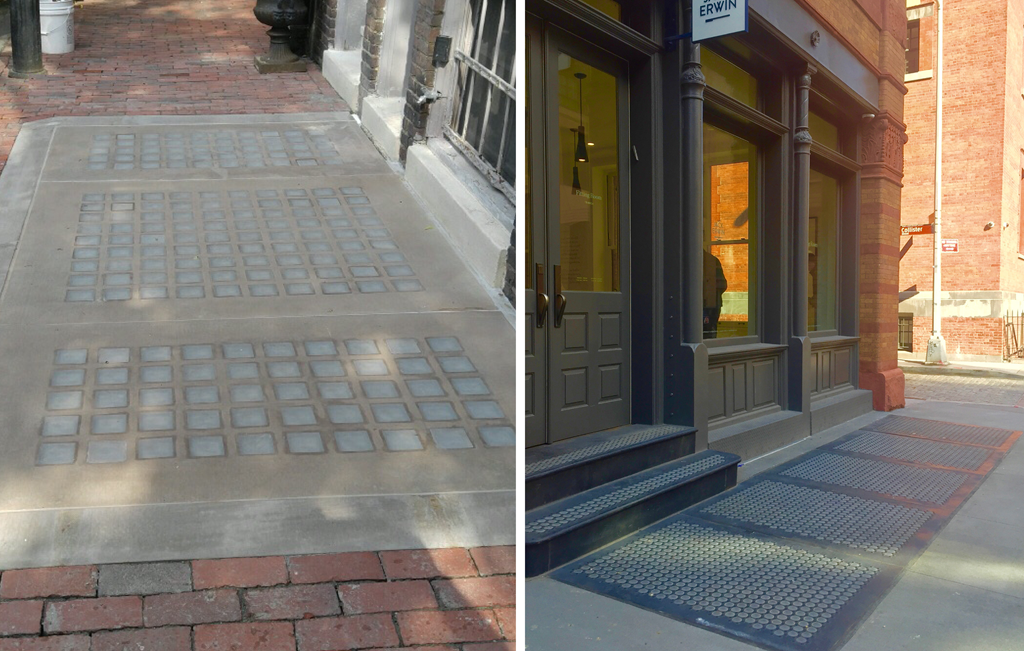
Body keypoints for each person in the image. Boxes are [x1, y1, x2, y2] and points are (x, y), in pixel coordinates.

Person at [703, 249, 728, 338]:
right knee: (710, 334)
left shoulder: (688, 259)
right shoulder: (713, 260)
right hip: (713, 305)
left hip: (708, 305)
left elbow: (722, 285)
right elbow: (722, 285)